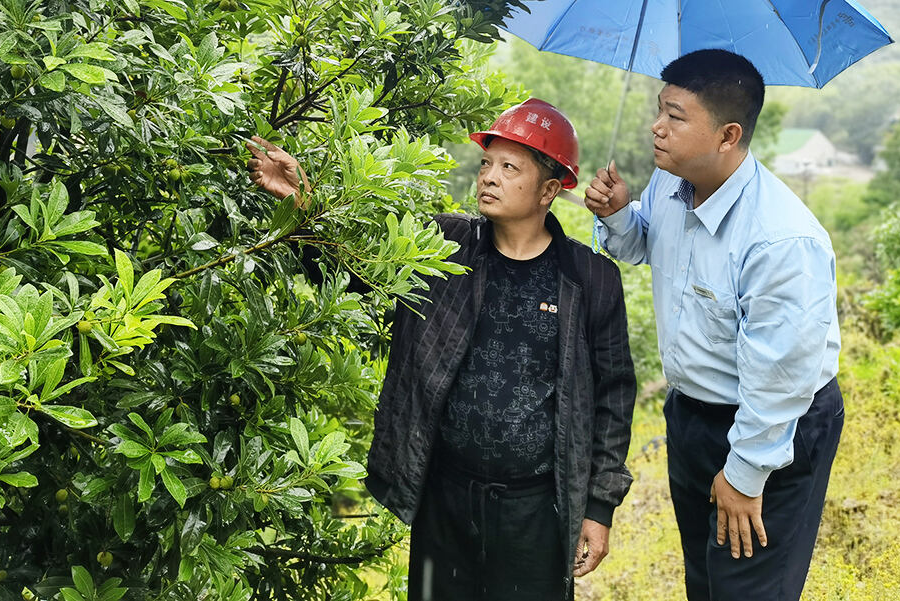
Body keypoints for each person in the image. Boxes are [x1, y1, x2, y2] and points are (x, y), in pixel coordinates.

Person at [247, 98, 636, 601]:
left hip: (537, 509)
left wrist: (599, 509)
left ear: (548, 190)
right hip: (445, 495)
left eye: (509, 167)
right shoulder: (443, 246)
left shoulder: (590, 279)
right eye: (486, 164)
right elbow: (355, 275)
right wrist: (303, 201)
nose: (489, 178)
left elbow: (615, 398)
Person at [583, 49, 843, 601]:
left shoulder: (780, 239)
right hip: (694, 414)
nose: (657, 127)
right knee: (704, 579)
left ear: (727, 136)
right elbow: (644, 245)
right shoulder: (673, 184)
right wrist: (618, 215)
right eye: (659, 110)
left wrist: (746, 474)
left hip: (771, 424)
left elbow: (783, 376)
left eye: (675, 117)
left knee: (747, 586)